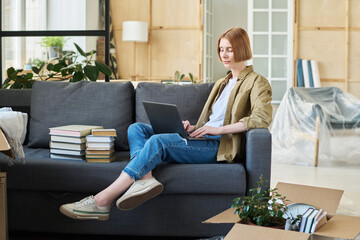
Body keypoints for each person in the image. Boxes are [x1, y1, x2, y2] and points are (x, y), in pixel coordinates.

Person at [59, 27, 273, 221]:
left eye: (229, 50)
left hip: (218, 145)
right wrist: (193, 128)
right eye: (221, 49)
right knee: (137, 128)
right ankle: (145, 179)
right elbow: (211, 119)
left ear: (242, 49)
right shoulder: (222, 82)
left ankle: (102, 201)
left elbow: (261, 118)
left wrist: (218, 130)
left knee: (158, 141)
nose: (223, 55)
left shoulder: (257, 81)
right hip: (202, 136)